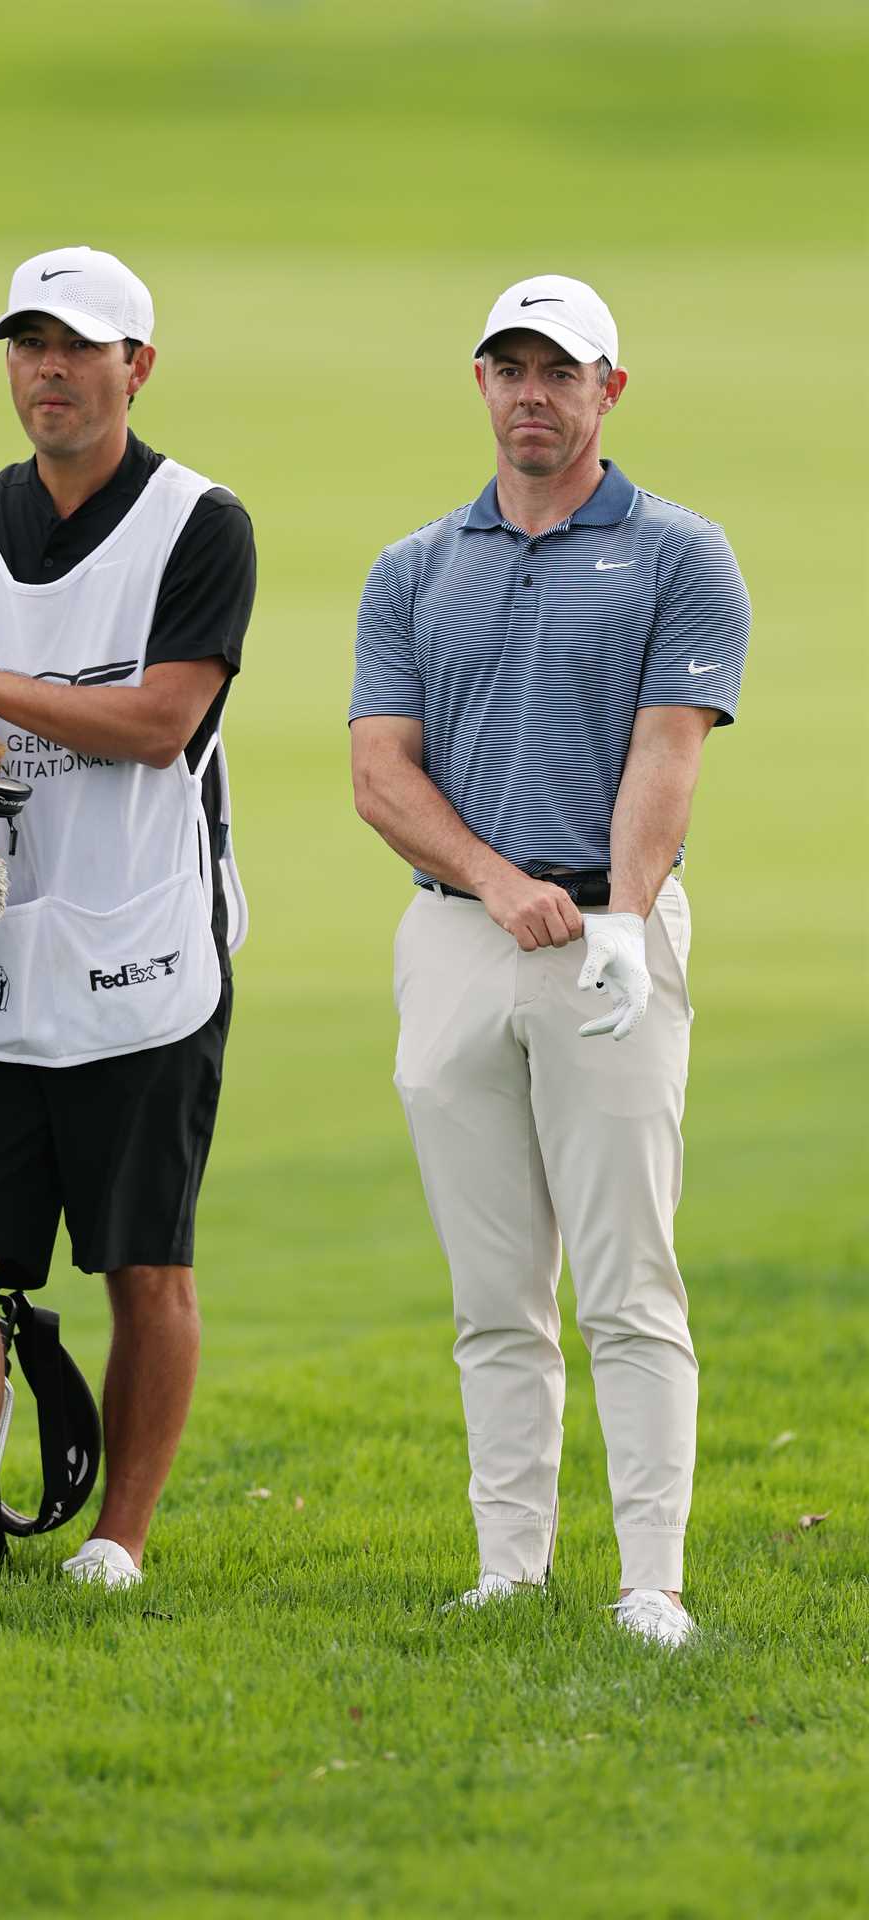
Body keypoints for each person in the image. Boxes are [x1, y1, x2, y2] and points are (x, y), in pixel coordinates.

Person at [349, 274, 749, 1647]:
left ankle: (653, 1585)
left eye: (559, 371)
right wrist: (495, 881)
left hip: (610, 944)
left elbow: (667, 751)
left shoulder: (682, 552)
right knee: (493, 1293)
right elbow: (379, 771)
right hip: (455, 940)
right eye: (508, 368)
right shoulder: (413, 567)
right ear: (481, 384)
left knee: (629, 1282)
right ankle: (508, 1569)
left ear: (608, 392)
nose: (532, 393)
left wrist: (624, 921)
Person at [0, 245, 255, 1599]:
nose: (48, 370)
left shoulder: (198, 522)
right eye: (28, 344)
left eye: (78, 346)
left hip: (143, 956)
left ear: (135, 367)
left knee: (145, 1264)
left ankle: (117, 1545)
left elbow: (159, 722)